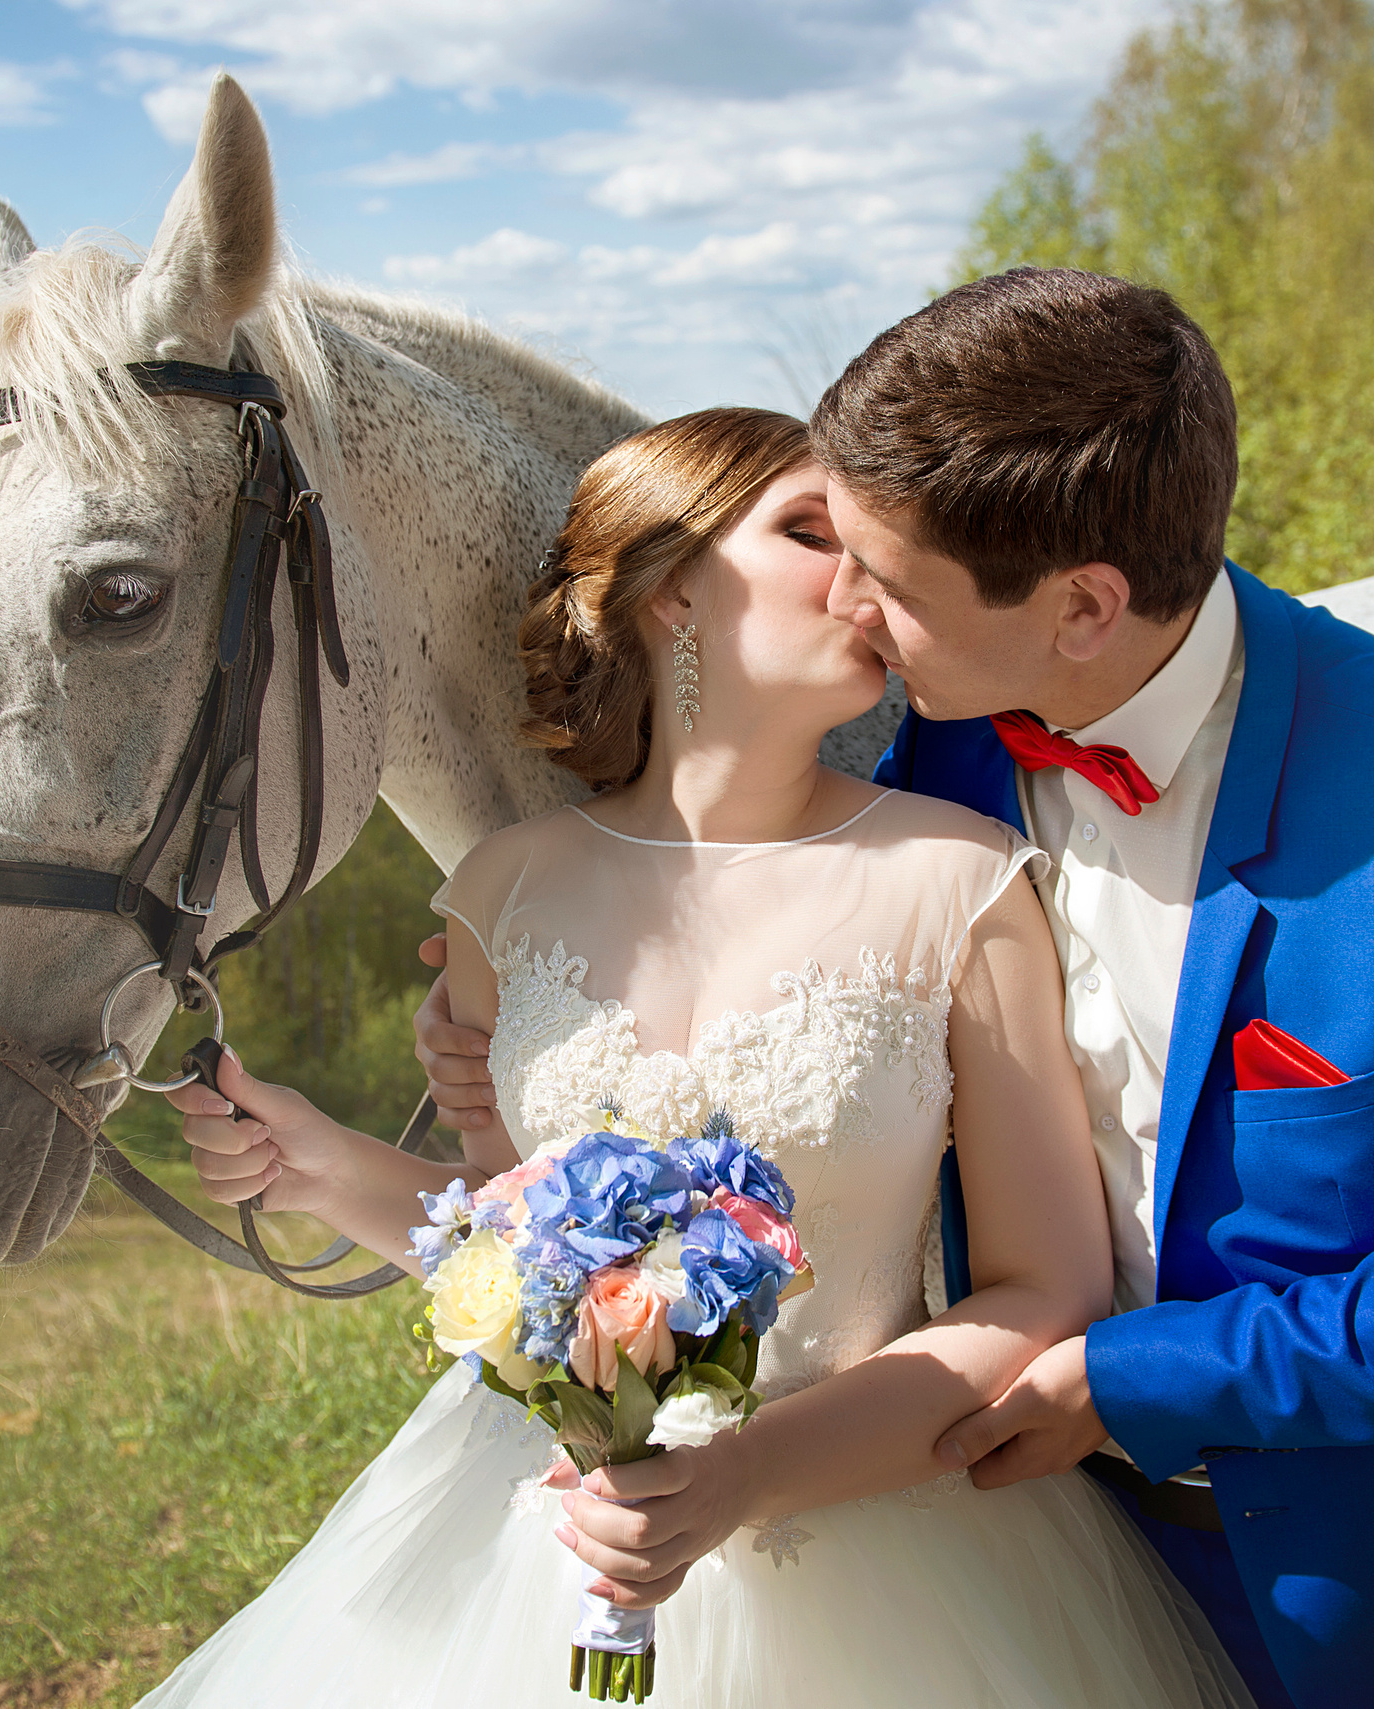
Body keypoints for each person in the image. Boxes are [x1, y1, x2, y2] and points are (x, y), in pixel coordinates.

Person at [415, 272, 1374, 1709]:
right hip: (984, 1532)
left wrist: (1144, 1373)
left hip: (1345, 1582)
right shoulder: (937, 744)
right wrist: (531, 1040)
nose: (853, 608)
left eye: (886, 583)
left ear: (1084, 604)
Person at [137, 407, 1249, 1709]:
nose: (868, 580)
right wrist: (320, 1163)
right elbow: (521, 1249)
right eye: (809, 533)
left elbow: (1038, 1287)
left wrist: (746, 1472)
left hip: (883, 1547)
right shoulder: (503, 889)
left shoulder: (961, 880)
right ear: (669, 587)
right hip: (542, 1527)